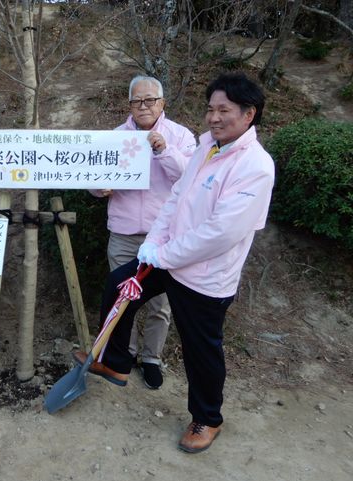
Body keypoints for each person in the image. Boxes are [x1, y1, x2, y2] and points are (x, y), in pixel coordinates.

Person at [74, 72, 275, 453]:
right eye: (211, 109)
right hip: (167, 256)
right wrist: (153, 243)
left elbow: (221, 233)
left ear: (249, 115)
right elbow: (176, 198)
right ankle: (115, 360)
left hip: (205, 276)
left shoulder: (256, 167)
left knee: (201, 348)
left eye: (224, 111)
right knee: (120, 285)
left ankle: (207, 419)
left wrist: (162, 254)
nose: (214, 117)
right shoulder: (207, 147)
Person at [90, 75, 196, 389]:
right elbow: (93, 177)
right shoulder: (116, 137)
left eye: (150, 100)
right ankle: (124, 355)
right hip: (123, 232)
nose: (143, 106)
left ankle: (152, 357)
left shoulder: (180, 136)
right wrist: (99, 189)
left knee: (160, 304)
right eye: (137, 101)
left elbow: (191, 179)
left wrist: (164, 150)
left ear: (162, 103)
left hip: (163, 238)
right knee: (121, 298)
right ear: (130, 105)